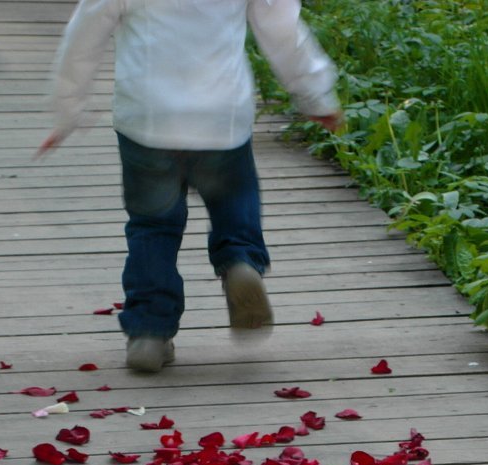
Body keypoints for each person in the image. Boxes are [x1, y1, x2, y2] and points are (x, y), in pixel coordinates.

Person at [37, 0, 343, 372]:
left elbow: (84, 34)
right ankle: (240, 261)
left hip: (147, 119)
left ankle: (149, 332)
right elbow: (283, 31)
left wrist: (67, 110)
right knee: (234, 199)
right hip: (220, 115)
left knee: (153, 226)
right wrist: (315, 94)